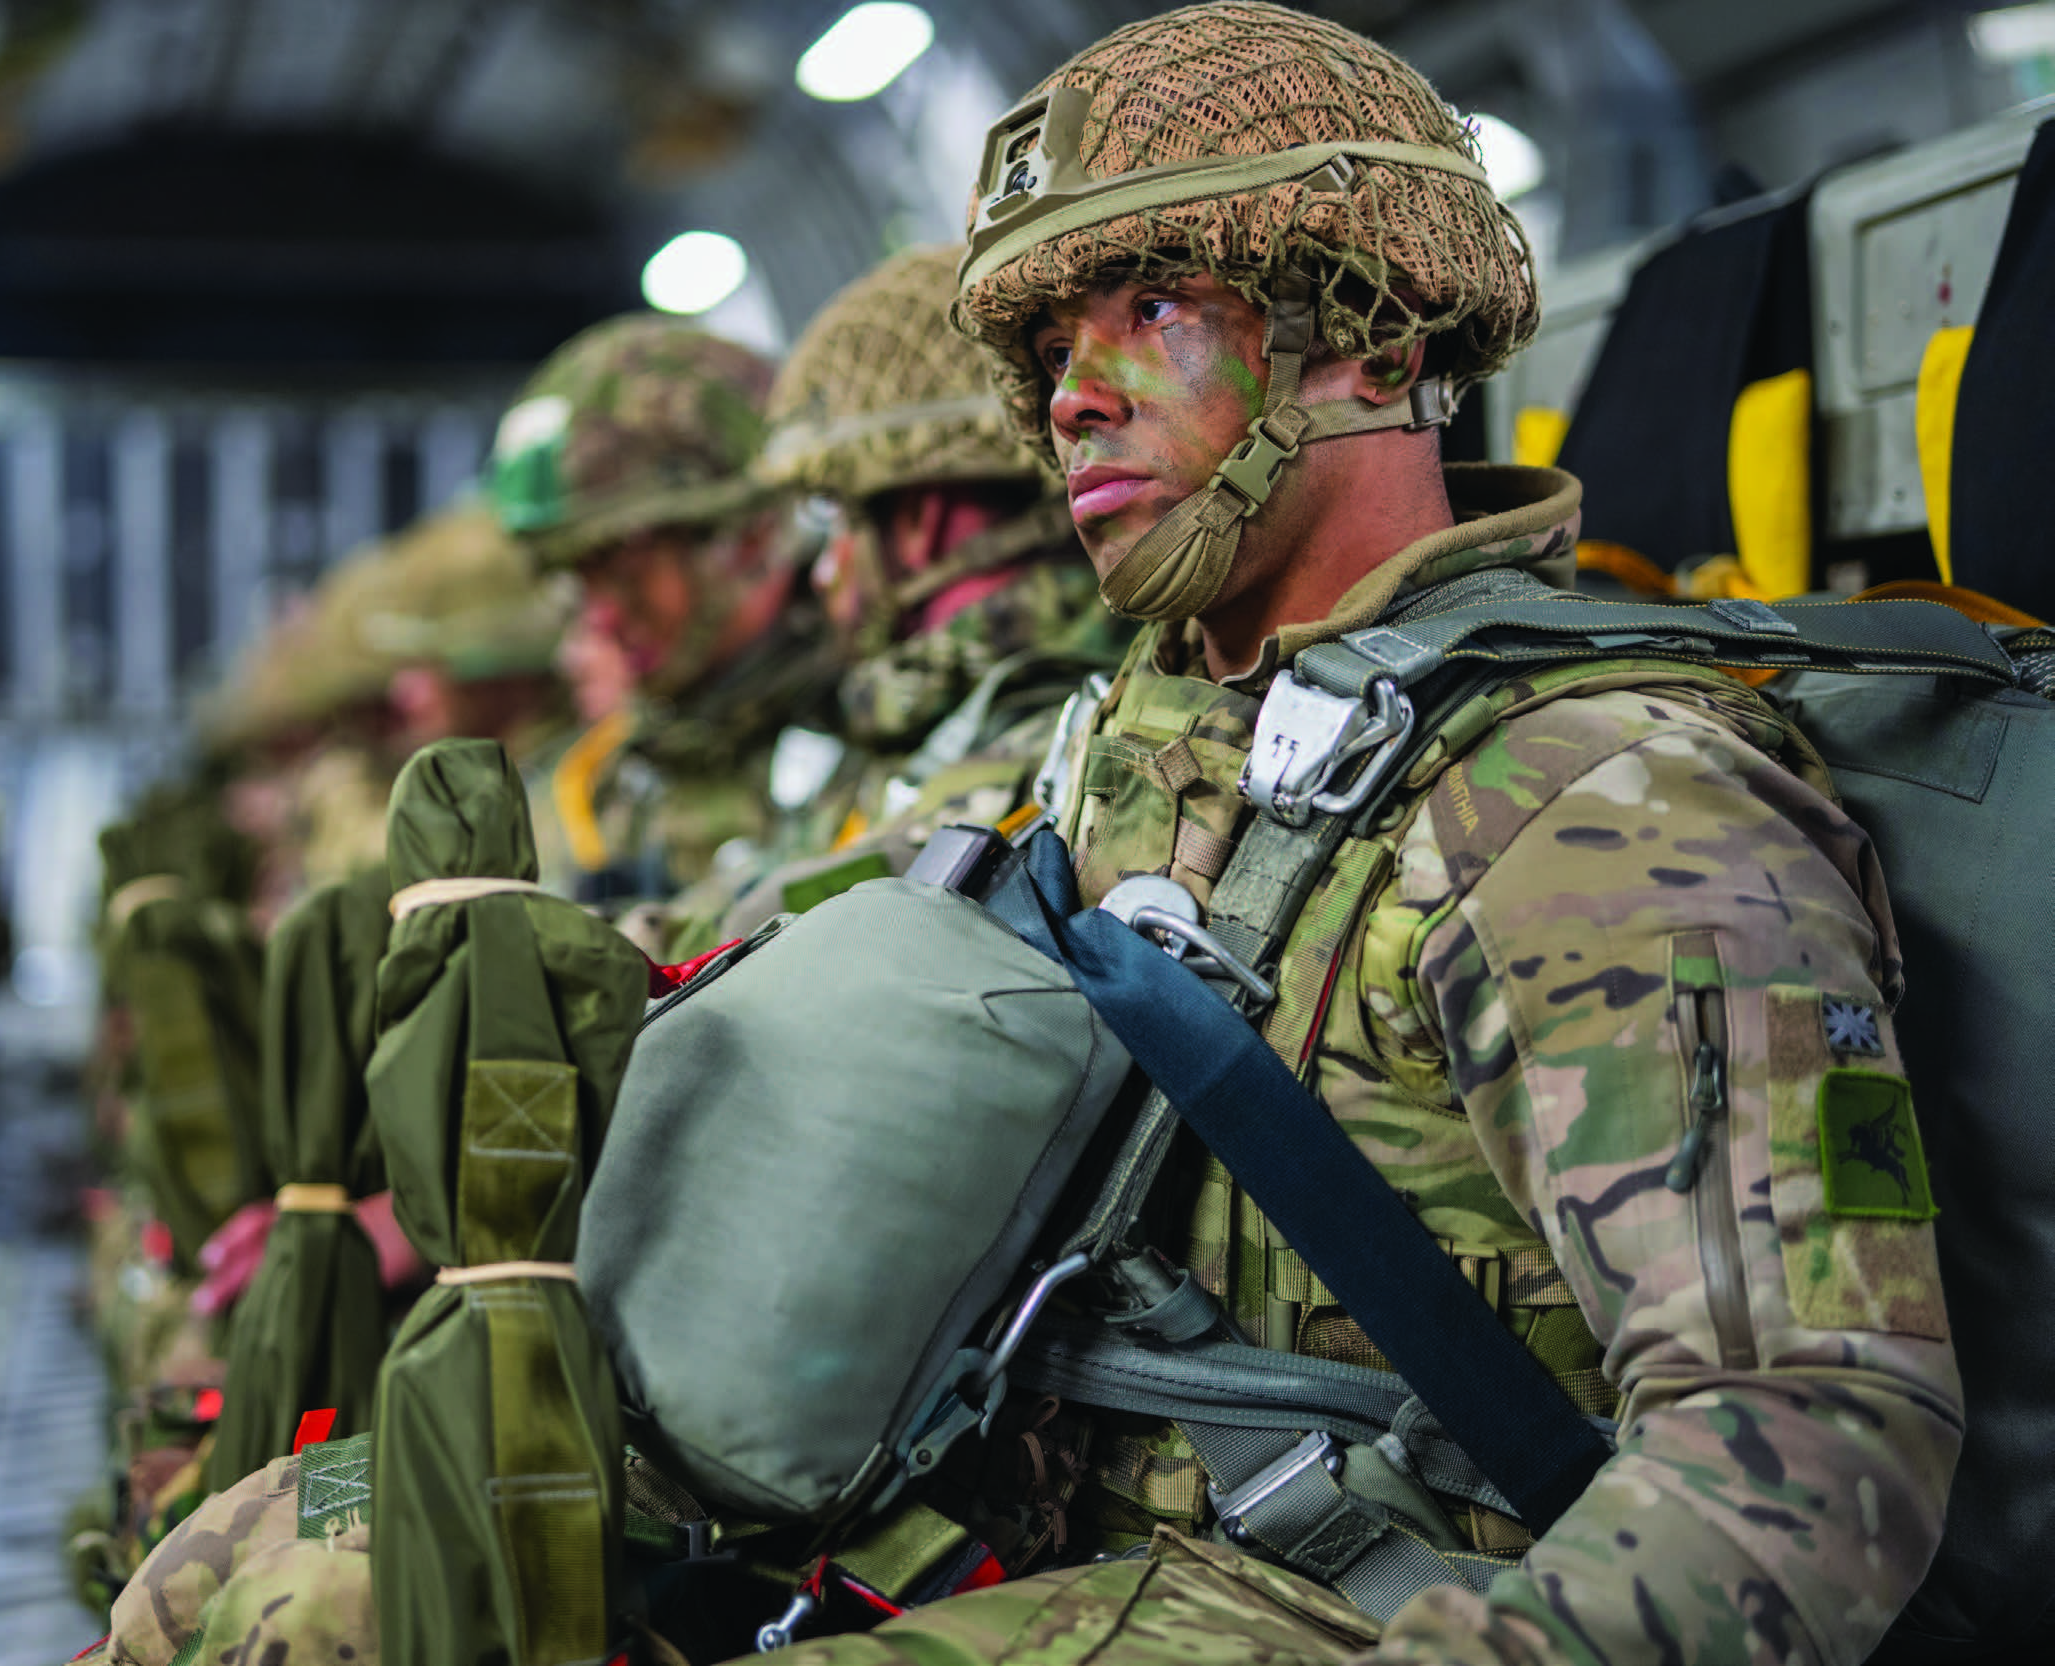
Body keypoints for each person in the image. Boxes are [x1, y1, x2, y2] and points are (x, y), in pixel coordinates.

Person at [765, 4, 1958, 1662]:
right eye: (1048, 350)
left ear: (1377, 339)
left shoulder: (1588, 803)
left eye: (1153, 305)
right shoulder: (1136, 748)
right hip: (1053, 1554)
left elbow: (1806, 1452)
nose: (1069, 399)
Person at [690, 242, 1127, 946]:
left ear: (921, 523)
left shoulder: (1050, 731)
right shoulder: (899, 724)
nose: (823, 571)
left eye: (834, 517)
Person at [488, 314, 839, 921]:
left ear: (750, 537)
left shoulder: (871, 736)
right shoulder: (607, 788)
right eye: (576, 578)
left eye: (626, 571)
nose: (598, 617)